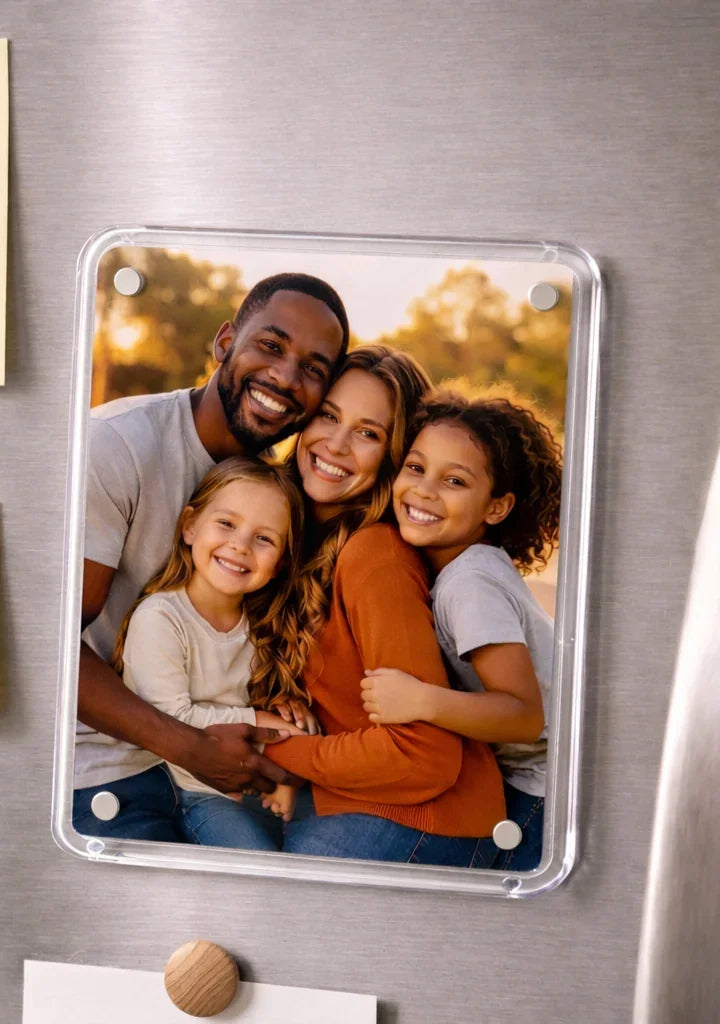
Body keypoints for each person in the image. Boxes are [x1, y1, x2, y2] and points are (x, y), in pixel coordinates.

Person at [73, 273, 349, 843]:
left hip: (225, 767)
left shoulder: (285, 493)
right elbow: (48, 647)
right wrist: (192, 747)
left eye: (313, 369)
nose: (285, 376)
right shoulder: (118, 445)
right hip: (108, 769)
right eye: (270, 346)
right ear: (225, 342)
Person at [264, 347, 507, 865]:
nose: (336, 443)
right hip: (351, 800)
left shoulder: (376, 557)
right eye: (329, 415)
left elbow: (421, 757)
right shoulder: (280, 529)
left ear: (395, 456)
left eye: (368, 433)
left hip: (421, 820)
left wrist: (269, 746)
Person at [361, 393, 562, 871]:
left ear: (496, 508)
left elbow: (523, 716)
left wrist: (421, 700)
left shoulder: (468, 583)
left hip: (541, 787)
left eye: (454, 481)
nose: (425, 491)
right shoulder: (458, 566)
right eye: (416, 468)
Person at [113, 457, 313, 850]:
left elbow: (284, 722)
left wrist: (288, 716)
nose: (239, 545)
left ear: (281, 562)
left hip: (255, 787)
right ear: (190, 526)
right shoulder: (161, 618)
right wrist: (262, 722)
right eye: (226, 524)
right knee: (257, 866)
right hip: (190, 791)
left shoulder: (262, 626)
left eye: (264, 538)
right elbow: (171, 718)